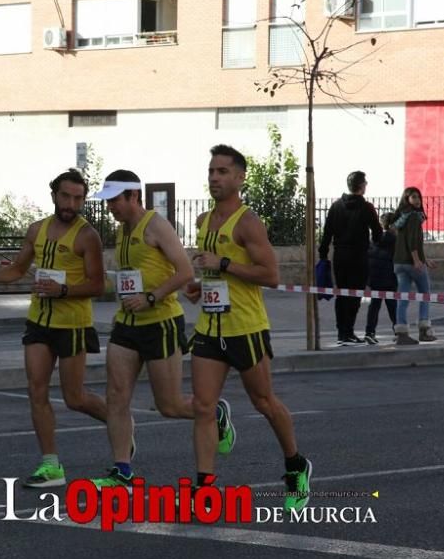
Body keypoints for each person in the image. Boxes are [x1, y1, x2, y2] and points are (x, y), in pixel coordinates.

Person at [88, 170, 235, 490]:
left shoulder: (156, 225)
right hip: (127, 323)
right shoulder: (122, 230)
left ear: (133, 196)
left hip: (161, 323)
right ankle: (122, 472)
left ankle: (215, 412)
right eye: (108, 201)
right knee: (115, 397)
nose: (110, 207)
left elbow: (184, 271)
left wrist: (151, 297)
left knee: (169, 406)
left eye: (115, 200)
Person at [185, 144, 312, 513]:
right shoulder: (204, 220)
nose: (214, 177)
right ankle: (204, 487)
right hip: (211, 326)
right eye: (211, 171)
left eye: (222, 172)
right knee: (204, 407)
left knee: (263, 402)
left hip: (246, 327)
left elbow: (270, 275)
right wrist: (199, 285)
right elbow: (213, 270)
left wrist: (222, 262)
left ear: (240, 178)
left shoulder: (247, 221)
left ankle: (295, 464)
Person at [0, 169, 108, 488]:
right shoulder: (37, 230)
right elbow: (18, 269)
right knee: (36, 390)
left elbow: (97, 285)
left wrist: (62, 291)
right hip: (39, 321)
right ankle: (51, 466)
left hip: (72, 324)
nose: (71, 203)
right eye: (65, 196)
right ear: (54, 195)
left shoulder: (88, 236)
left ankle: (120, 424)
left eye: (78, 198)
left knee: (75, 398)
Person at [318, 171, 383, 347]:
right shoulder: (367, 208)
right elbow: (377, 234)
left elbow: (326, 234)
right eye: (365, 183)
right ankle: (349, 330)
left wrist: (323, 254)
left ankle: (343, 332)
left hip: (340, 256)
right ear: (361, 186)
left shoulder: (335, 206)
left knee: (342, 293)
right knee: (355, 294)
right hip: (359, 256)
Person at [392, 186, 437, 345]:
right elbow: (413, 242)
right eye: (413, 197)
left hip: (399, 263)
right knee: (425, 293)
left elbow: (410, 242)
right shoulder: (413, 217)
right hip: (411, 263)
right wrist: (418, 260)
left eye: (418, 197)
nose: (417, 200)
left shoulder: (402, 217)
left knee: (402, 298)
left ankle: (402, 333)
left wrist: (425, 259)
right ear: (407, 199)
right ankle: (424, 329)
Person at [363, 212, 398, 345]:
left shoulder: (374, 238)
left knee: (374, 306)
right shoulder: (395, 240)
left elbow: (369, 256)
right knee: (393, 306)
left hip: (374, 278)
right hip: (389, 277)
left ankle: (369, 332)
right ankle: (399, 331)